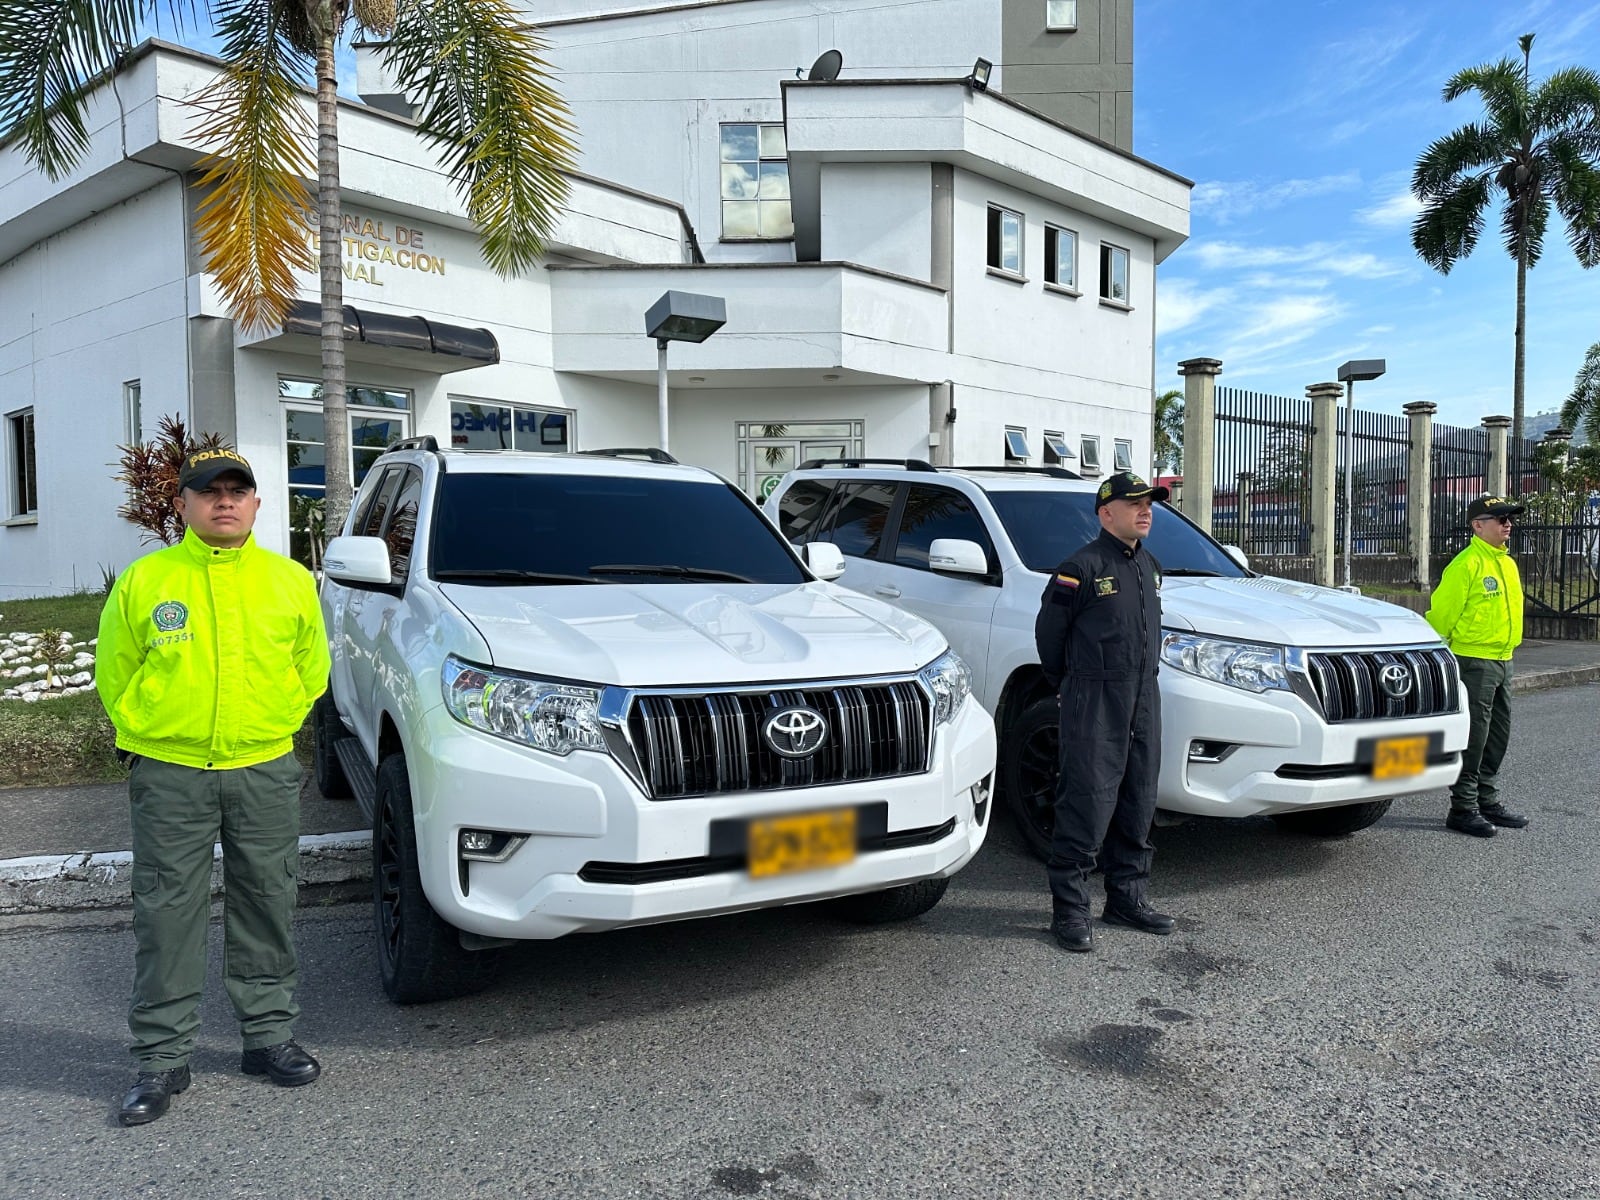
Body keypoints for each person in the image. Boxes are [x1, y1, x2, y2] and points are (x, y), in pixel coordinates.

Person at [95, 447, 331, 1125]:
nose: (224, 501)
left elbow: (311, 667)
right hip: (171, 772)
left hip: (262, 767)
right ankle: (163, 1059)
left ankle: (267, 1038)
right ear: (183, 506)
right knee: (168, 914)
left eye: (237, 490)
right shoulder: (146, 581)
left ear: (256, 504)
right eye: (209, 492)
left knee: (267, 900)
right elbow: (115, 671)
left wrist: (275, 724)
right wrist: (149, 732)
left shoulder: (289, 581)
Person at [1034, 471, 1177, 953]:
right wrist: (1070, 686)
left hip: (1143, 698)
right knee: (1087, 803)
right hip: (1094, 698)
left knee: (1138, 801)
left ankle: (1126, 898)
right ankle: (1071, 910)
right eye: (1134, 503)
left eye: (1149, 503)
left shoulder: (1149, 565)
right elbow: (1050, 637)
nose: (1146, 510)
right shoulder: (1081, 567)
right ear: (1105, 513)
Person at [1426, 494, 1527, 838]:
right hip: (1474, 661)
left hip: (1503, 660)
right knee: (1474, 737)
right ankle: (1463, 807)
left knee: (1498, 736)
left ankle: (1487, 800)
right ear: (1477, 525)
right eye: (1500, 519)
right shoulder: (1466, 565)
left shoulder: (1507, 564)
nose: (1508, 524)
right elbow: (1441, 617)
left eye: (1510, 519)